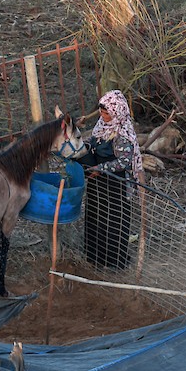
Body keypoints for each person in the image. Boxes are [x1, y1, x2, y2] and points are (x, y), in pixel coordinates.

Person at [75, 90, 142, 270]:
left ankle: (113, 262)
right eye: (102, 112)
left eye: (107, 113)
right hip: (97, 183)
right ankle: (94, 257)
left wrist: (101, 169)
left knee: (113, 221)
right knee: (96, 216)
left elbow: (124, 161)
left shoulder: (122, 133)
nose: (103, 116)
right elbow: (93, 143)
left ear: (117, 112)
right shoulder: (101, 126)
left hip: (115, 184)